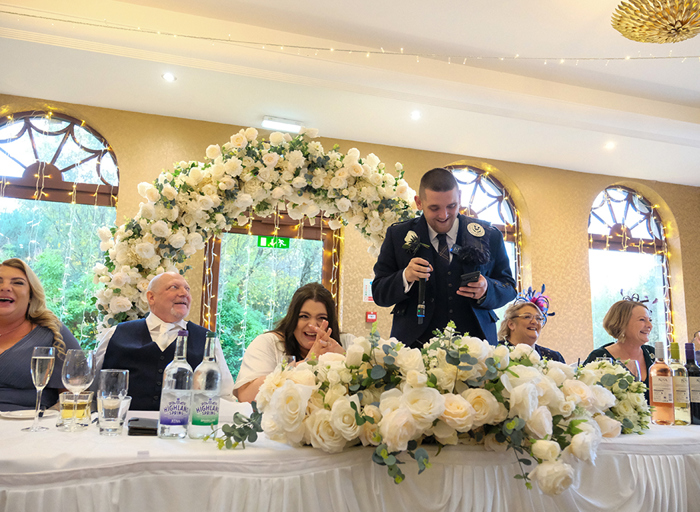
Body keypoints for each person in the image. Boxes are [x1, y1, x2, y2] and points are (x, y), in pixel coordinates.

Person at [372, 167, 516, 348]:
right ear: (419, 202)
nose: (444, 215)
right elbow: (378, 292)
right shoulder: (398, 235)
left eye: (452, 206)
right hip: (414, 347)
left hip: (476, 345)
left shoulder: (488, 234)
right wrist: (405, 277)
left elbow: (509, 287)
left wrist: (487, 289)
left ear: (460, 198)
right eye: (434, 208)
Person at [95, 272, 234, 410]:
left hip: (184, 429)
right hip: (121, 428)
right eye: (174, 287)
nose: (184, 293)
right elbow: (91, 386)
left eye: (187, 289)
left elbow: (225, 394)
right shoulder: (115, 334)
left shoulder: (207, 339)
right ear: (151, 297)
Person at [234, 282, 351, 403]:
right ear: (293, 318)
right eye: (304, 316)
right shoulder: (268, 343)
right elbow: (246, 398)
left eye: (321, 318)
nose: (312, 326)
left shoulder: (346, 342)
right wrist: (309, 363)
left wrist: (345, 359)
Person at [0, 258, 81, 411]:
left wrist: (44, 422)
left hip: (29, 427)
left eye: (17, 282)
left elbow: (76, 395)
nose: (5, 287)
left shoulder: (54, 333)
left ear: (31, 295)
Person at [583, 300, 654, 399]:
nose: (650, 325)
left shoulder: (652, 354)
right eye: (642, 320)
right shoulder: (600, 357)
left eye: (650, 320)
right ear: (622, 323)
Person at [498, 287, 564, 362]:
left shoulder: (554, 357)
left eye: (538, 318)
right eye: (527, 317)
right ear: (511, 324)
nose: (534, 322)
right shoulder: (496, 352)